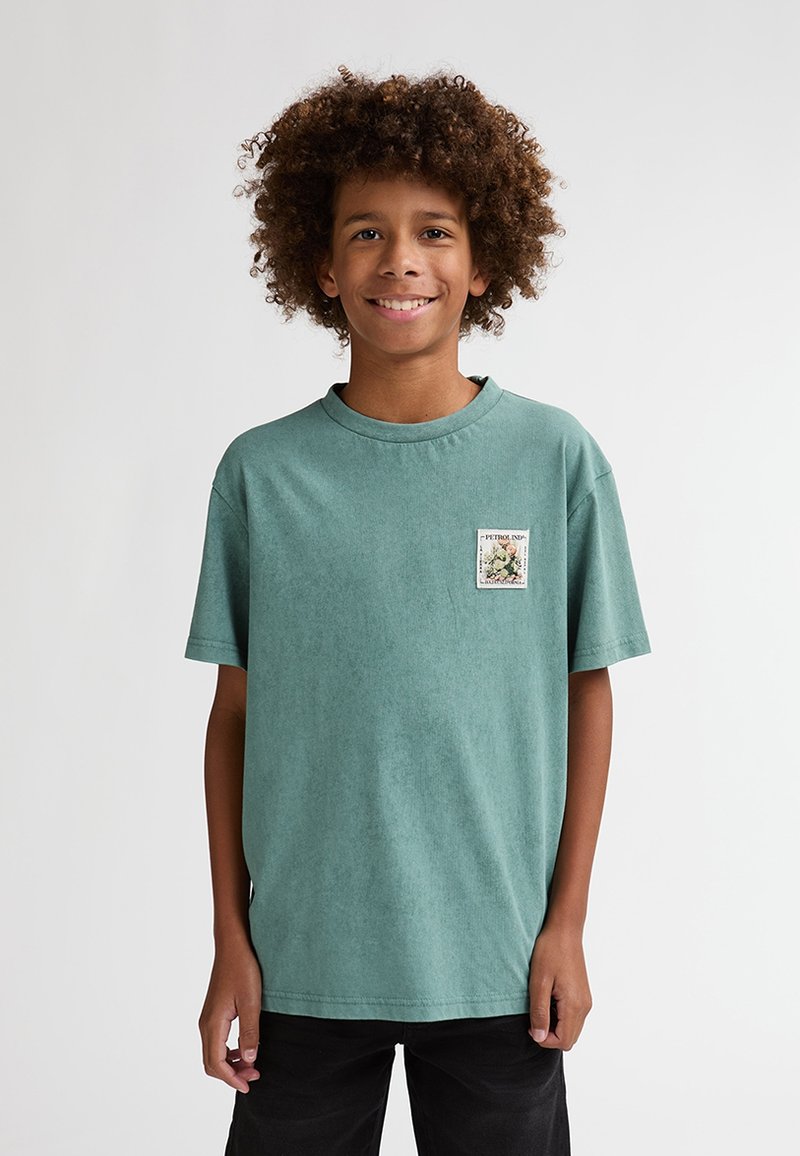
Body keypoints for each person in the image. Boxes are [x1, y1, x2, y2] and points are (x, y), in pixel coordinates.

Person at [184, 65, 652, 1156]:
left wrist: (567, 924)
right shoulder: (261, 474)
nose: (400, 259)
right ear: (321, 263)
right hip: (302, 964)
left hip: (498, 962)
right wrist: (230, 939)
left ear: (483, 263)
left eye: (434, 231)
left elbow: (586, 693)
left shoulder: (555, 459)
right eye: (366, 233)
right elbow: (234, 715)